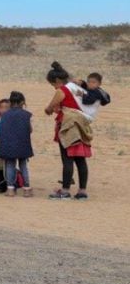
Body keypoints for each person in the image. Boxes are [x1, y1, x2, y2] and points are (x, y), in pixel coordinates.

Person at [44, 61, 92, 200]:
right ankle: (82, 191)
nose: (53, 87)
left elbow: (49, 108)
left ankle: (65, 191)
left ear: (57, 80)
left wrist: (49, 109)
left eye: (52, 84)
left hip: (68, 127)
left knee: (67, 160)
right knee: (81, 160)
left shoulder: (62, 90)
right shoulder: (76, 88)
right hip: (82, 126)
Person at [0, 91, 34, 197]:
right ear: (22, 102)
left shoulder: (5, 115)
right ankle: (26, 189)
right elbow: (30, 130)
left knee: (10, 165)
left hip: (8, 144)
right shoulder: (26, 115)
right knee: (23, 165)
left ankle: (10, 189)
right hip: (23, 144)